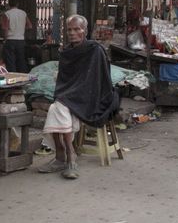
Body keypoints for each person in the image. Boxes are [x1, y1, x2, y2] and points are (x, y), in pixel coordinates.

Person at [38, 14, 119, 179]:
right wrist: (68, 93)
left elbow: (97, 80)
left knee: (58, 106)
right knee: (57, 106)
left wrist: (73, 93)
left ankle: (65, 155)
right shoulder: (67, 52)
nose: (73, 33)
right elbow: (64, 80)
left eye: (77, 29)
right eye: (69, 30)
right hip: (71, 94)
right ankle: (68, 155)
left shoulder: (95, 50)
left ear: (85, 31)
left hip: (92, 95)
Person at [1, 0, 32, 72]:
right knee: (21, 61)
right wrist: (21, 28)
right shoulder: (23, 13)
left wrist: (5, 40)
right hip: (21, 41)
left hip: (10, 41)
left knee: (10, 62)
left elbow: (5, 28)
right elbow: (30, 26)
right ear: (18, 4)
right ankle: (23, 79)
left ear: (9, 4)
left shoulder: (7, 14)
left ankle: (12, 79)